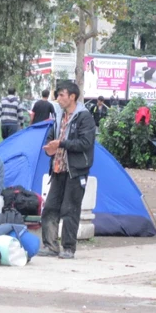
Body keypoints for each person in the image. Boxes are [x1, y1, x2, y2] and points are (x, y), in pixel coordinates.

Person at [39, 81, 96, 259]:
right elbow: (53, 136)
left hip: (76, 170)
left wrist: (62, 144)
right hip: (58, 168)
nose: (58, 99)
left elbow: (85, 143)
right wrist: (50, 146)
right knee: (50, 208)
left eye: (61, 95)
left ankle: (69, 247)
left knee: (71, 209)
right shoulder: (58, 115)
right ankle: (50, 245)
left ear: (72, 97)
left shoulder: (84, 117)